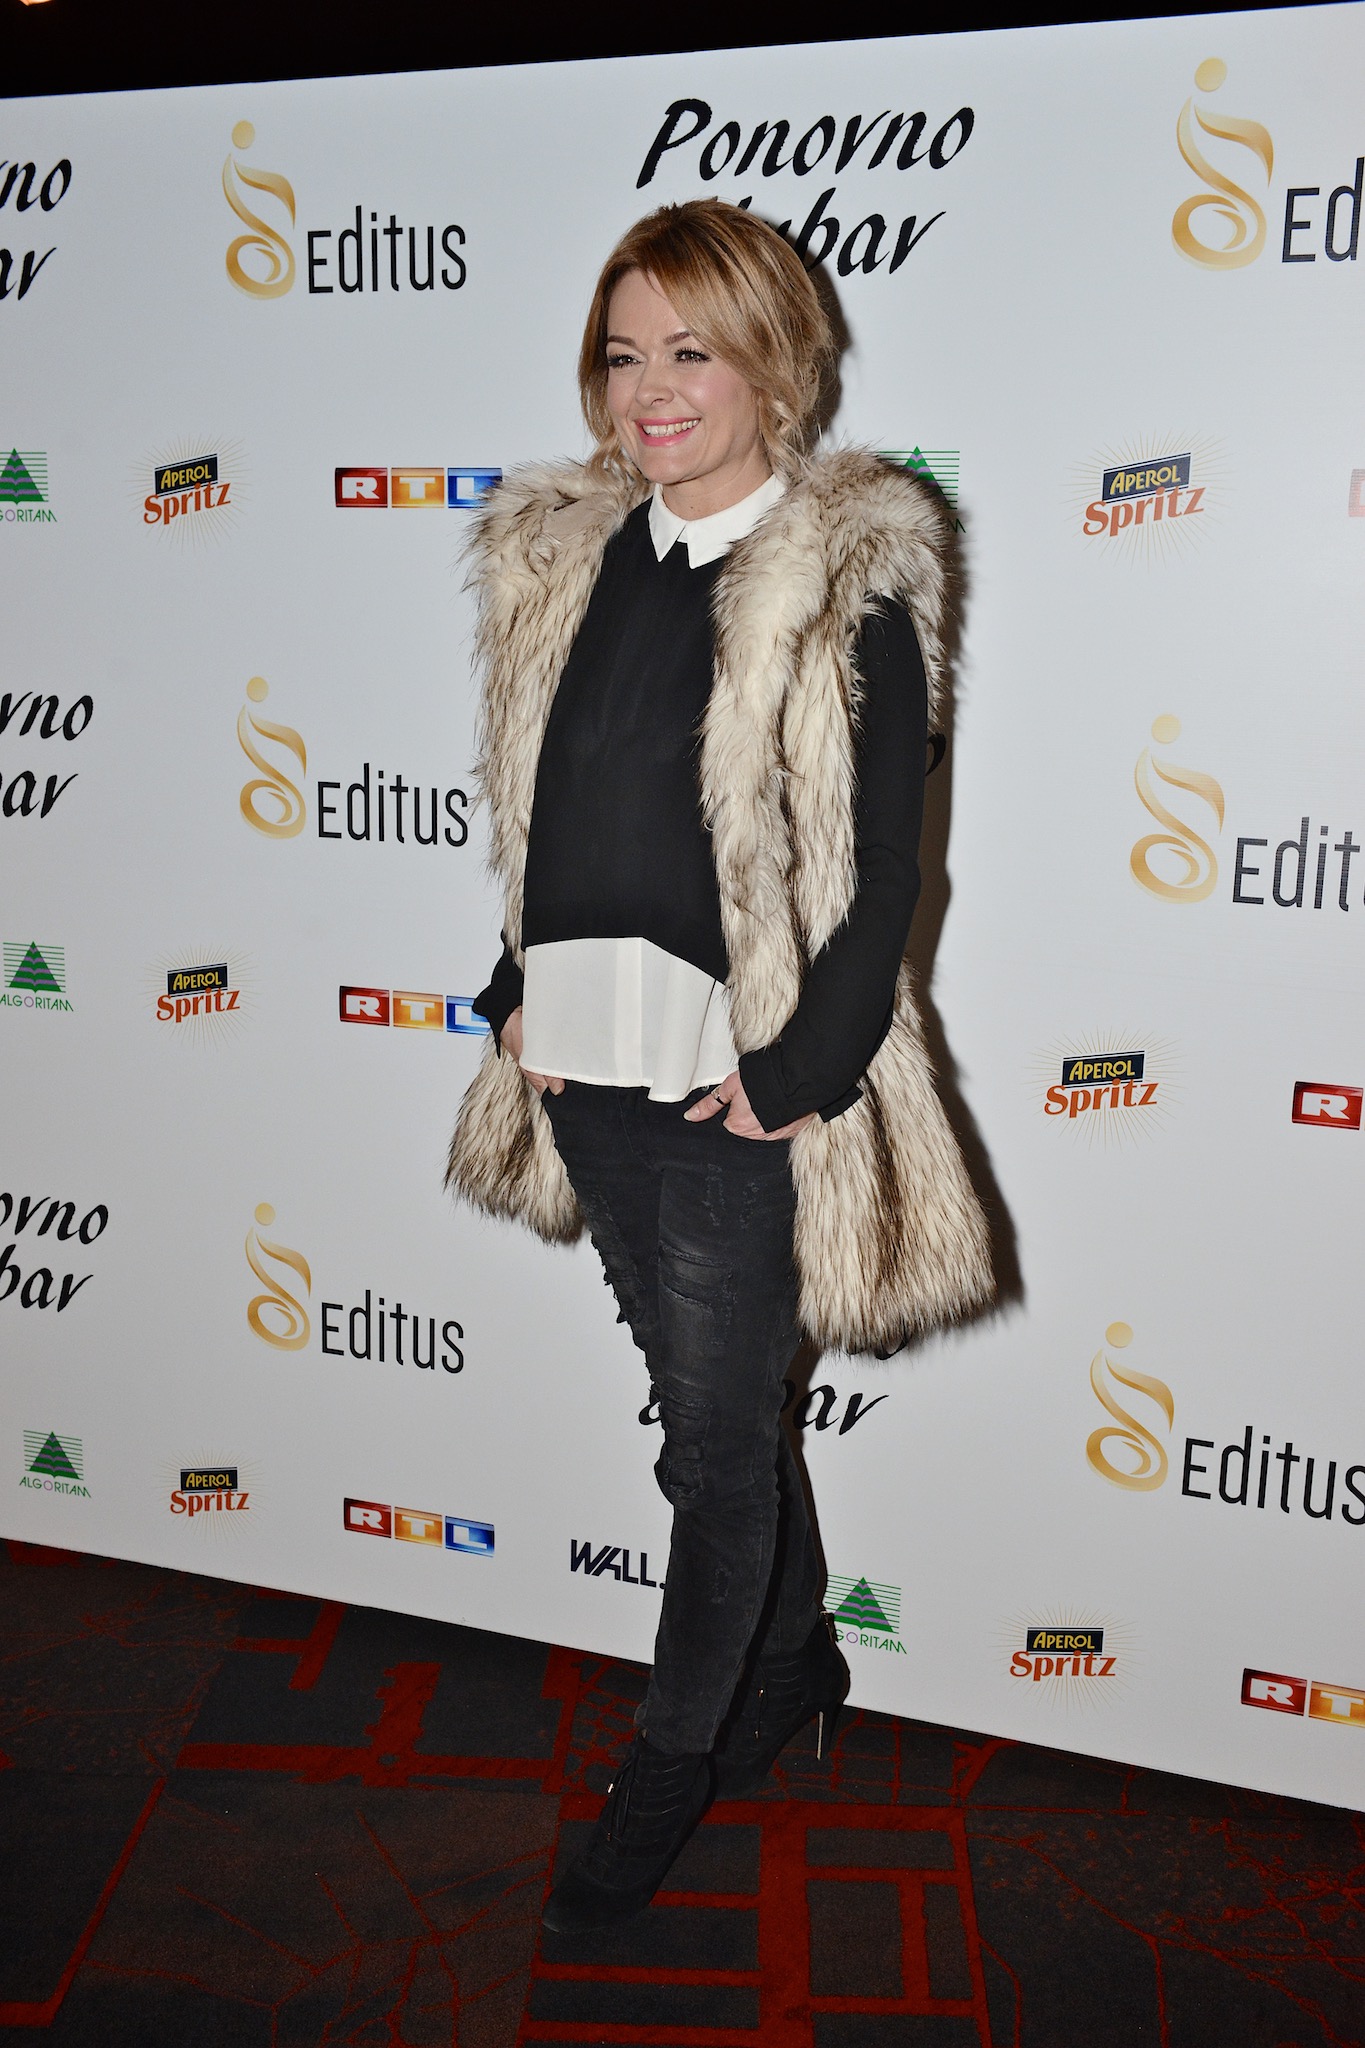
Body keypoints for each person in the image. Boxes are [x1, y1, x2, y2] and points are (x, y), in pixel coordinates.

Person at [448, 198, 991, 1935]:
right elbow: (551, 813)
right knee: (723, 1424)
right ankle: (795, 1662)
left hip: (735, 1084)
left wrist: (799, 1072)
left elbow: (888, 874)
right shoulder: (567, 559)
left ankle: (671, 1760)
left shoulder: (842, 577)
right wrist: (514, 990)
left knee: (709, 1457)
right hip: (582, 1069)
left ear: (773, 362)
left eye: (691, 349)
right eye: (624, 354)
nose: (650, 389)